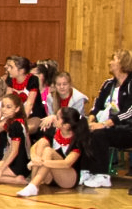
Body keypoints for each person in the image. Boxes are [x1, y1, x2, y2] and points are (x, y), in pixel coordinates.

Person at [18, 107, 92, 197]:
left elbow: (67, 163)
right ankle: (33, 183)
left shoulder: (77, 140)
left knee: (48, 151)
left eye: (57, 118)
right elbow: (34, 147)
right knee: (42, 143)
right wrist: (34, 158)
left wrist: (41, 162)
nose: (53, 119)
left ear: (66, 125)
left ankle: (33, 185)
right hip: (50, 176)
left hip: (68, 179)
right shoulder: (53, 131)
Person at [86, 50, 132, 190]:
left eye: (114, 59)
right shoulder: (107, 84)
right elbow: (97, 105)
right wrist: (91, 120)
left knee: (100, 134)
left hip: (126, 128)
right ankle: (86, 171)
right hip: (106, 124)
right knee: (84, 131)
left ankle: (102, 175)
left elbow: (129, 111)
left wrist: (104, 124)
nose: (110, 62)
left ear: (123, 63)